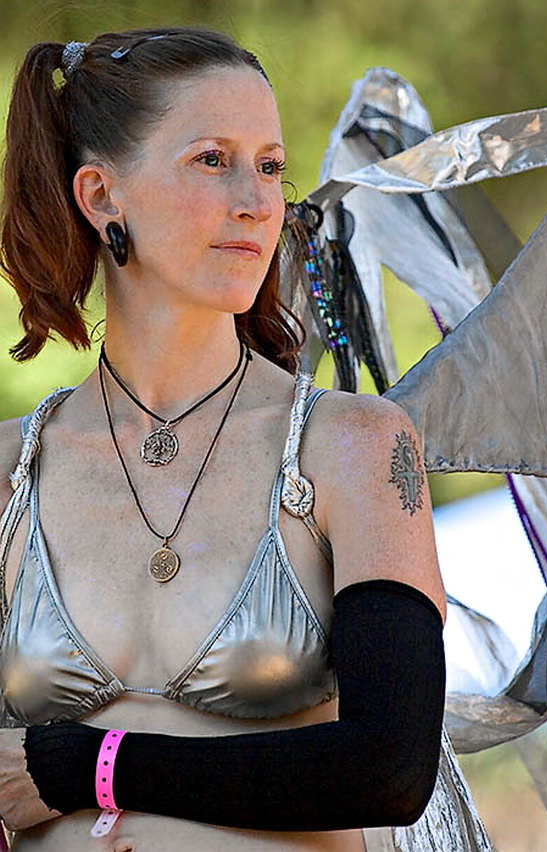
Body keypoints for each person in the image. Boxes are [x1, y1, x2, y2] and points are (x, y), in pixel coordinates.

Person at [0, 27, 446, 851]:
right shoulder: (10, 472)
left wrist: (89, 767)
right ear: (101, 195)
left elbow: (390, 767)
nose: (258, 202)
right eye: (213, 160)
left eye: (271, 167)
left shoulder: (352, 446)